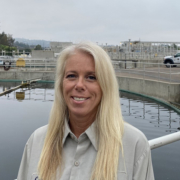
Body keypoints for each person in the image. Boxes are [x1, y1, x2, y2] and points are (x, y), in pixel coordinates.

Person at [17, 42, 154, 180]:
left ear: (105, 86)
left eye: (91, 77)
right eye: (71, 76)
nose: (79, 85)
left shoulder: (134, 145)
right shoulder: (37, 141)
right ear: (61, 84)